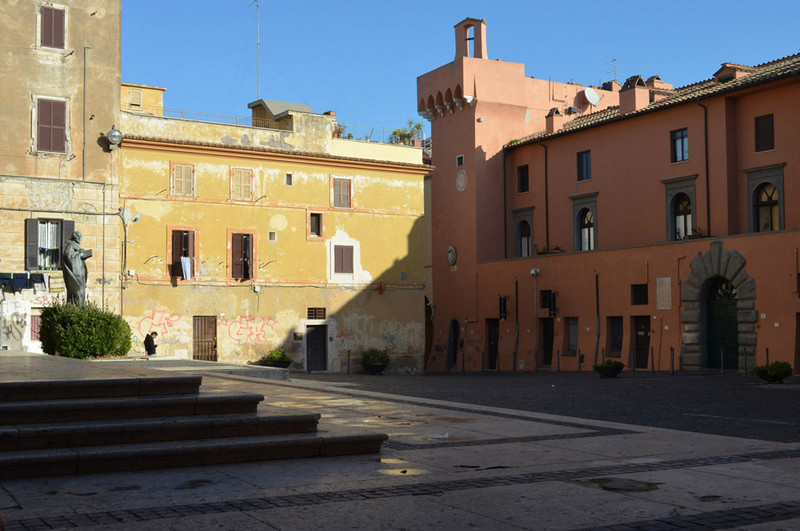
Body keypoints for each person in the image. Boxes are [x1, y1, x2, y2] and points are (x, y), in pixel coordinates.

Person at [62, 231, 92, 306]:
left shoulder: (76, 246)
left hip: (80, 273)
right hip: (76, 273)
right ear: (74, 237)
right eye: (78, 236)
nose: (79, 238)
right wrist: (79, 254)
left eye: (80, 237)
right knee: (78, 291)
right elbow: (67, 256)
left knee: (81, 291)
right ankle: (77, 308)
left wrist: (82, 254)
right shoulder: (71, 245)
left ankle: (79, 307)